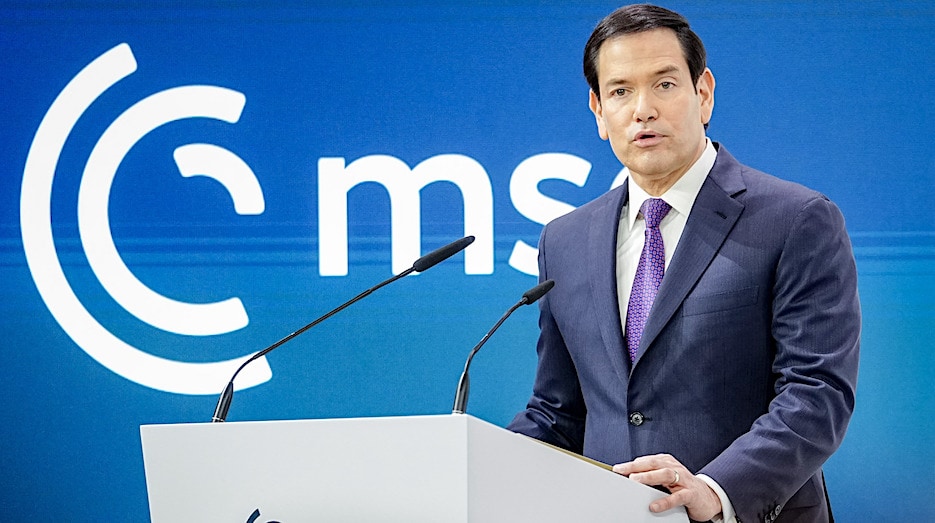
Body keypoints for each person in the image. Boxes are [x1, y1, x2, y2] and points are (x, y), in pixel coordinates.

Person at [507, 4, 860, 523]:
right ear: (598, 111)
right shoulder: (564, 239)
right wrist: (471, 464)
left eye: (665, 84)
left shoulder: (796, 219)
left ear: (703, 92)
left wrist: (715, 490)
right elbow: (559, 411)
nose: (643, 110)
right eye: (620, 91)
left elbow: (816, 392)